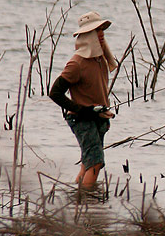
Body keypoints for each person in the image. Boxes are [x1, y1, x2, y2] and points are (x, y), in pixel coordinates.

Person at [49, 10, 118, 188]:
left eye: (102, 30)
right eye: (98, 31)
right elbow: (55, 92)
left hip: (98, 119)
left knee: (88, 163)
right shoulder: (77, 63)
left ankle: (78, 199)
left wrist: (103, 113)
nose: (102, 34)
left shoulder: (100, 59)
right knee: (95, 164)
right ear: (88, 36)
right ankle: (87, 202)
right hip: (81, 120)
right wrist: (82, 110)